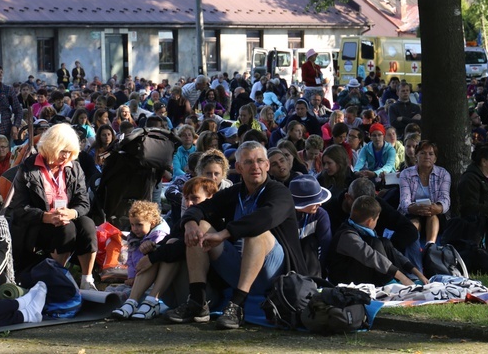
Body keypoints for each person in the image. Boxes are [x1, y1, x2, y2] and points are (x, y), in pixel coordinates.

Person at [166, 141, 307, 329]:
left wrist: (224, 234)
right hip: (239, 267)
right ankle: (198, 302)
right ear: (239, 168)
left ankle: (237, 305)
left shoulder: (279, 192)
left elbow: (264, 218)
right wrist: (190, 223)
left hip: (274, 273)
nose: (255, 167)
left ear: (266, 165)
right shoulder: (235, 192)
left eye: (259, 161)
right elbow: (202, 208)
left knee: (256, 233)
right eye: (248, 162)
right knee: (201, 225)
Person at [116, 177, 221, 321]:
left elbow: (180, 247)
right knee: (163, 248)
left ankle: (152, 300)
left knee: (169, 248)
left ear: (210, 197)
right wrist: (151, 247)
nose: (189, 203)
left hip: (204, 295)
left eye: (195, 198)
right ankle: (133, 301)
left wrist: (153, 256)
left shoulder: (214, 222)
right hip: (177, 294)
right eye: (187, 198)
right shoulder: (185, 221)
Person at [8, 123, 98, 289]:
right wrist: (45, 217)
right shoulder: (28, 168)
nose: (66, 156)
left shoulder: (74, 167)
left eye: (70, 152)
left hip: (65, 218)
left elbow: (84, 201)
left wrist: (72, 212)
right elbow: (19, 208)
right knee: (67, 229)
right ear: (51, 147)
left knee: (87, 224)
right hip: (37, 225)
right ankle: (58, 277)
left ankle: (87, 279)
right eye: (63, 151)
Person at [326, 196, 428, 286]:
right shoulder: (347, 235)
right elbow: (371, 256)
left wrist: (417, 273)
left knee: (385, 242)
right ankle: (390, 282)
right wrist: (403, 278)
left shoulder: (365, 231)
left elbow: (394, 253)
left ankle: (396, 281)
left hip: (359, 271)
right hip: (342, 278)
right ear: (370, 221)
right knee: (376, 243)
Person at [111, 200, 170, 318]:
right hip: (139, 274)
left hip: (154, 278)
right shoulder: (134, 238)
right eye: (132, 225)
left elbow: (155, 260)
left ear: (152, 223)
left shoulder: (159, 236)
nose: (135, 229)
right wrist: (131, 276)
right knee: (114, 289)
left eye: (139, 225)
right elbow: (131, 259)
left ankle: (146, 302)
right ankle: (130, 301)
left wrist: (151, 246)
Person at [398, 140, 451, 244]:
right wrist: (412, 208)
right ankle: (413, 248)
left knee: (432, 217)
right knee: (413, 223)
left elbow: (445, 199)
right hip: (412, 212)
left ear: (435, 159)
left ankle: (430, 247)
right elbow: (404, 199)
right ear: (416, 157)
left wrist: (437, 208)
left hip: (435, 213)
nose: (427, 156)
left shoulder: (443, 174)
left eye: (431, 154)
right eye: (422, 153)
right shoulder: (406, 174)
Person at [289, 175, 332, 278]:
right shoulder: (283, 216)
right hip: (288, 262)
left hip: (312, 266)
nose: (320, 204)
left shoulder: (320, 215)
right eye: (315, 202)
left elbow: (326, 245)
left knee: (309, 242)